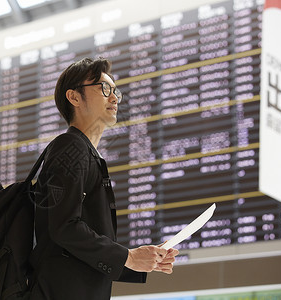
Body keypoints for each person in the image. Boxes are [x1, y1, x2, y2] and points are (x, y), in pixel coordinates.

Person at [29, 57, 179, 300]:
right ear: (74, 97)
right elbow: (64, 227)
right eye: (104, 88)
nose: (114, 97)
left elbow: (76, 244)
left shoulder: (84, 152)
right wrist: (128, 257)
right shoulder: (70, 147)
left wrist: (140, 260)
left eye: (115, 91)